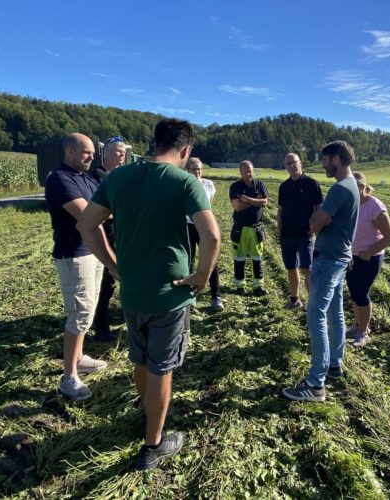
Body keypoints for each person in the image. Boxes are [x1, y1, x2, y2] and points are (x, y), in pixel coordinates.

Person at [77, 118, 220, 471]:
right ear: (185, 151)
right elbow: (212, 236)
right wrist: (201, 276)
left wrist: (113, 265)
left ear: (154, 143)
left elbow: (86, 224)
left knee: (140, 358)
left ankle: (148, 411)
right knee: (162, 367)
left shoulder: (118, 177)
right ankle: (154, 444)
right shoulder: (185, 182)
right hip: (169, 295)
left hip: (133, 291)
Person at [283, 141, 359, 402]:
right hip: (340, 258)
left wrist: (314, 223)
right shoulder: (352, 186)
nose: (323, 164)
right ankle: (335, 365)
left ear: (336, 159)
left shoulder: (339, 189)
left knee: (315, 315)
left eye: (325, 159)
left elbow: (314, 224)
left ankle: (316, 383)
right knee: (336, 312)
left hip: (328, 260)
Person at [44, 133, 108, 402]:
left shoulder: (87, 177)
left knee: (89, 309)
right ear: (69, 151)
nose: (92, 157)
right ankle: (68, 377)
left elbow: (100, 207)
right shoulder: (60, 179)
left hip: (90, 252)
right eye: (86, 152)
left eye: (93, 152)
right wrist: (111, 209)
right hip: (74, 256)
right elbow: (87, 215)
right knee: (79, 313)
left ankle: (80, 358)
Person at [345, 172, 390, 348]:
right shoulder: (352, 204)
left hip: (370, 258)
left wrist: (368, 252)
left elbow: (389, 236)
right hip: (352, 255)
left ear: (365, 187)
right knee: (353, 292)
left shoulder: (375, 206)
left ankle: (364, 332)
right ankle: (357, 325)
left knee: (361, 294)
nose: (355, 190)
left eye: (358, 187)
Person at [90, 136, 127, 341]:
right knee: (106, 280)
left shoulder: (119, 175)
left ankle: (117, 315)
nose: (122, 155)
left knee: (116, 277)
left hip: (119, 232)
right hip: (104, 233)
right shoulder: (98, 175)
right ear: (107, 152)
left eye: (123, 151)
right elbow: (102, 209)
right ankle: (101, 327)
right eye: (118, 151)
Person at [276, 153, 323, 309]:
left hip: (305, 235)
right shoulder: (284, 187)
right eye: (287, 164)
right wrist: (280, 230)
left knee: (307, 268)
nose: (291, 166)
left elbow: (319, 210)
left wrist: (314, 228)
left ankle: (313, 304)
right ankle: (294, 300)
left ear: (300, 163)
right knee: (291, 268)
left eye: (293, 162)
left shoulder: (312, 184)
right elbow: (280, 211)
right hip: (287, 235)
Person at [186, 157, 224, 311]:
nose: (197, 171)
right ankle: (188, 296)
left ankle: (216, 296)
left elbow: (209, 206)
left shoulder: (209, 184)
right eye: (194, 168)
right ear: (188, 170)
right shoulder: (184, 185)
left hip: (204, 227)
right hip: (188, 226)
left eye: (199, 168)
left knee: (211, 260)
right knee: (188, 260)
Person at [229, 160, 269, 296]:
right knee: (239, 258)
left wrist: (247, 199)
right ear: (240, 172)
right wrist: (255, 201)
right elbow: (238, 207)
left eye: (250, 170)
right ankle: (240, 285)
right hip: (240, 228)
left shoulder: (260, 185)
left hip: (256, 228)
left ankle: (258, 285)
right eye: (245, 171)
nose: (248, 173)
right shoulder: (235, 187)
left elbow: (264, 202)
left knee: (257, 258)